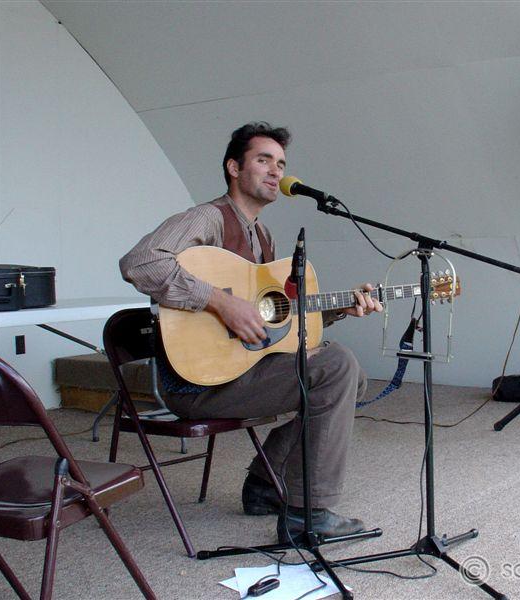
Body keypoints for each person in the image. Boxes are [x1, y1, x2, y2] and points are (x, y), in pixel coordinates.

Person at [120, 122, 382, 542]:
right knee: (337, 367)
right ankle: (308, 514)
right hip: (195, 382)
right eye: (264, 160)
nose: (276, 171)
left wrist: (339, 309)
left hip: (238, 369)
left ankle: (265, 483)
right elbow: (140, 263)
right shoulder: (207, 218)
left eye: (281, 164)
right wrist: (219, 302)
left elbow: (275, 318)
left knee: (350, 377)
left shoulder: (263, 236)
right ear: (234, 168)